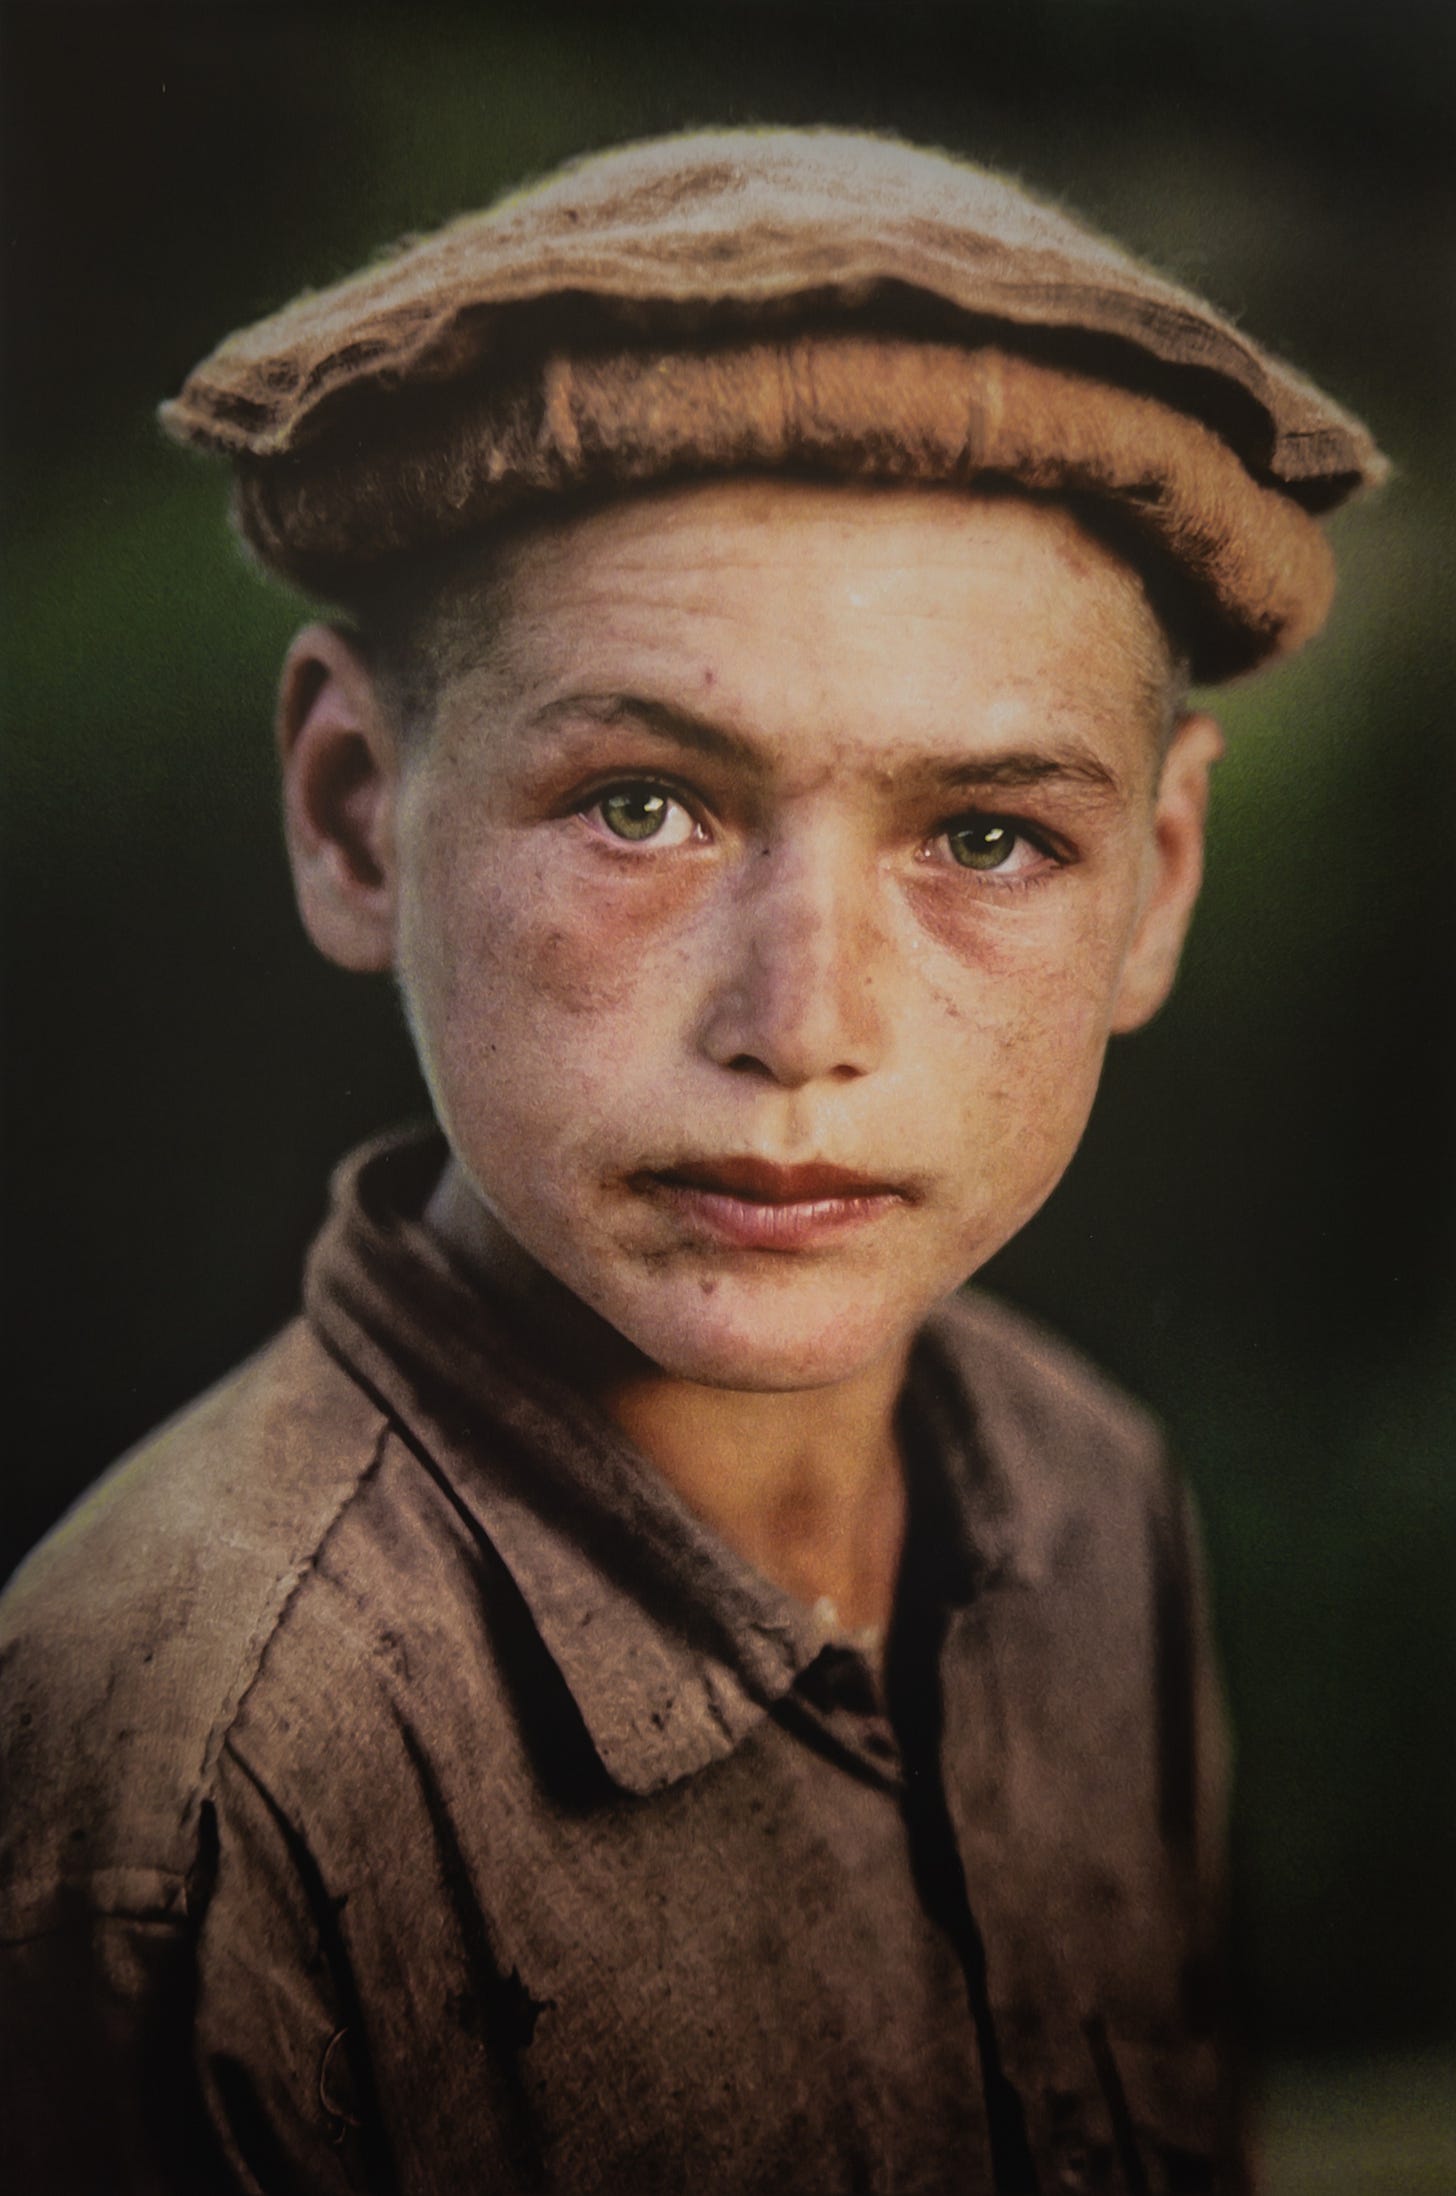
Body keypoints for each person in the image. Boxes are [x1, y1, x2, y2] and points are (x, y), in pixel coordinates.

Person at [0, 130, 1383, 2194]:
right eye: (643, 805)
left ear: (1155, 882)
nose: (800, 1018)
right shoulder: (186, 1780)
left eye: (985, 837)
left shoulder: (1087, 1500)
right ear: (355, 811)